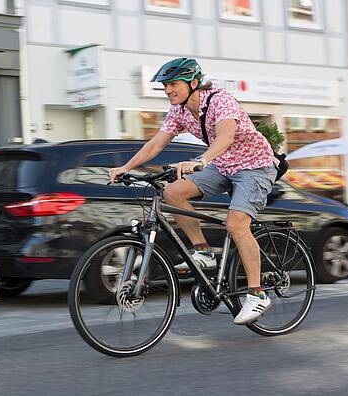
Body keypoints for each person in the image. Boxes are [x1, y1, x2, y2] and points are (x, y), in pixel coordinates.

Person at [108, 58, 279, 325]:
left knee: (236, 224)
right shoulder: (179, 112)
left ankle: (257, 294)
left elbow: (226, 136)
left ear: (194, 83)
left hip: (254, 166)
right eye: (165, 86)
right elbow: (155, 144)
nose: (167, 90)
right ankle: (203, 251)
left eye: (173, 84)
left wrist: (201, 161)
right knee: (173, 193)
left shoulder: (220, 100)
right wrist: (125, 166)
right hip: (223, 165)